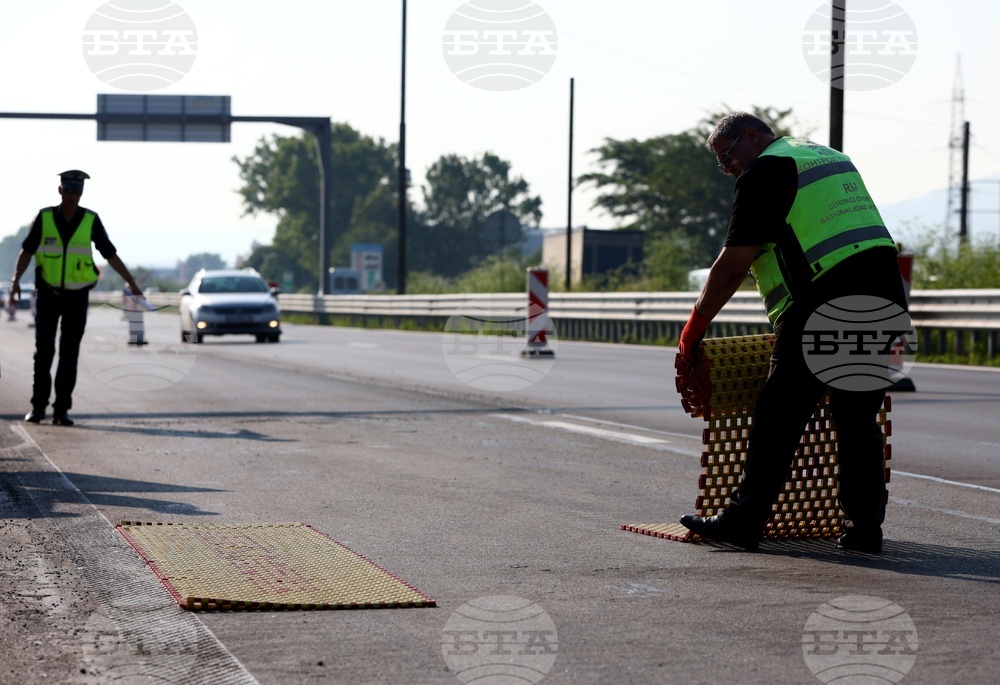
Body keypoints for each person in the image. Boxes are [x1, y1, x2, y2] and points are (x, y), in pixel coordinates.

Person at [677, 113, 908, 554]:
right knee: (857, 416)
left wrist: (694, 328)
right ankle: (865, 529)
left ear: (751, 136)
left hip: (825, 302)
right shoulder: (828, 158)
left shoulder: (767, 168)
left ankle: (744, 522)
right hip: (884, 298)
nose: (729, 170)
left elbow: (733, 265)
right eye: (722, 165)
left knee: (778, 413)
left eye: (728, 157)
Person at [10, 170, 144, 426]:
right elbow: (27, 251)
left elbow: (110, 254)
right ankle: (38, 408)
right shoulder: (45, 217)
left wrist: (132, 282)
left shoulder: (90, 220)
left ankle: (61, 410)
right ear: (60, 191)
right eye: (69, 191)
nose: (73, 196)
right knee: (44, 352)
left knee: (69, 354)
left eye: (78, 191)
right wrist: (16, 280)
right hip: (48, 295)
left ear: (82, 193)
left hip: (77, 298)